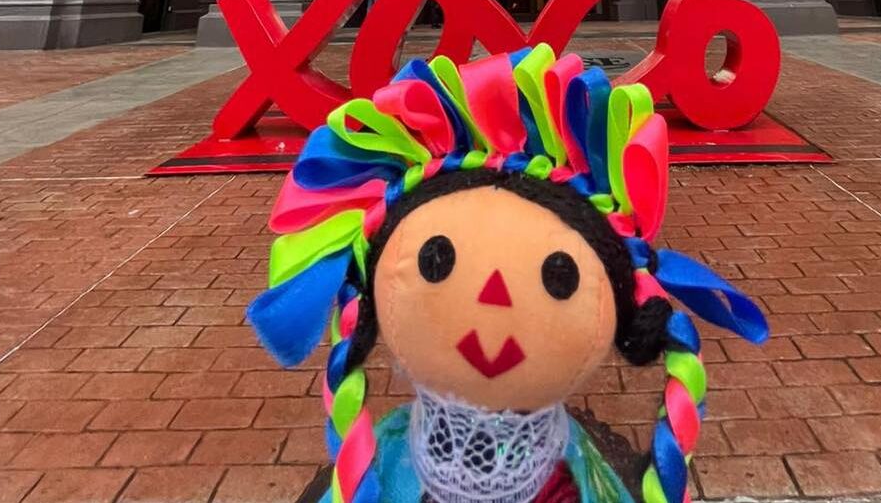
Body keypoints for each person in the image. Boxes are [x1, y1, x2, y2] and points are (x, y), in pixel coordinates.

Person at [247, 46, 768, 503]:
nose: (493, 298)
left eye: (560, 276)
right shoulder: (381, 466)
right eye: (435, 260)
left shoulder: (581, 471)